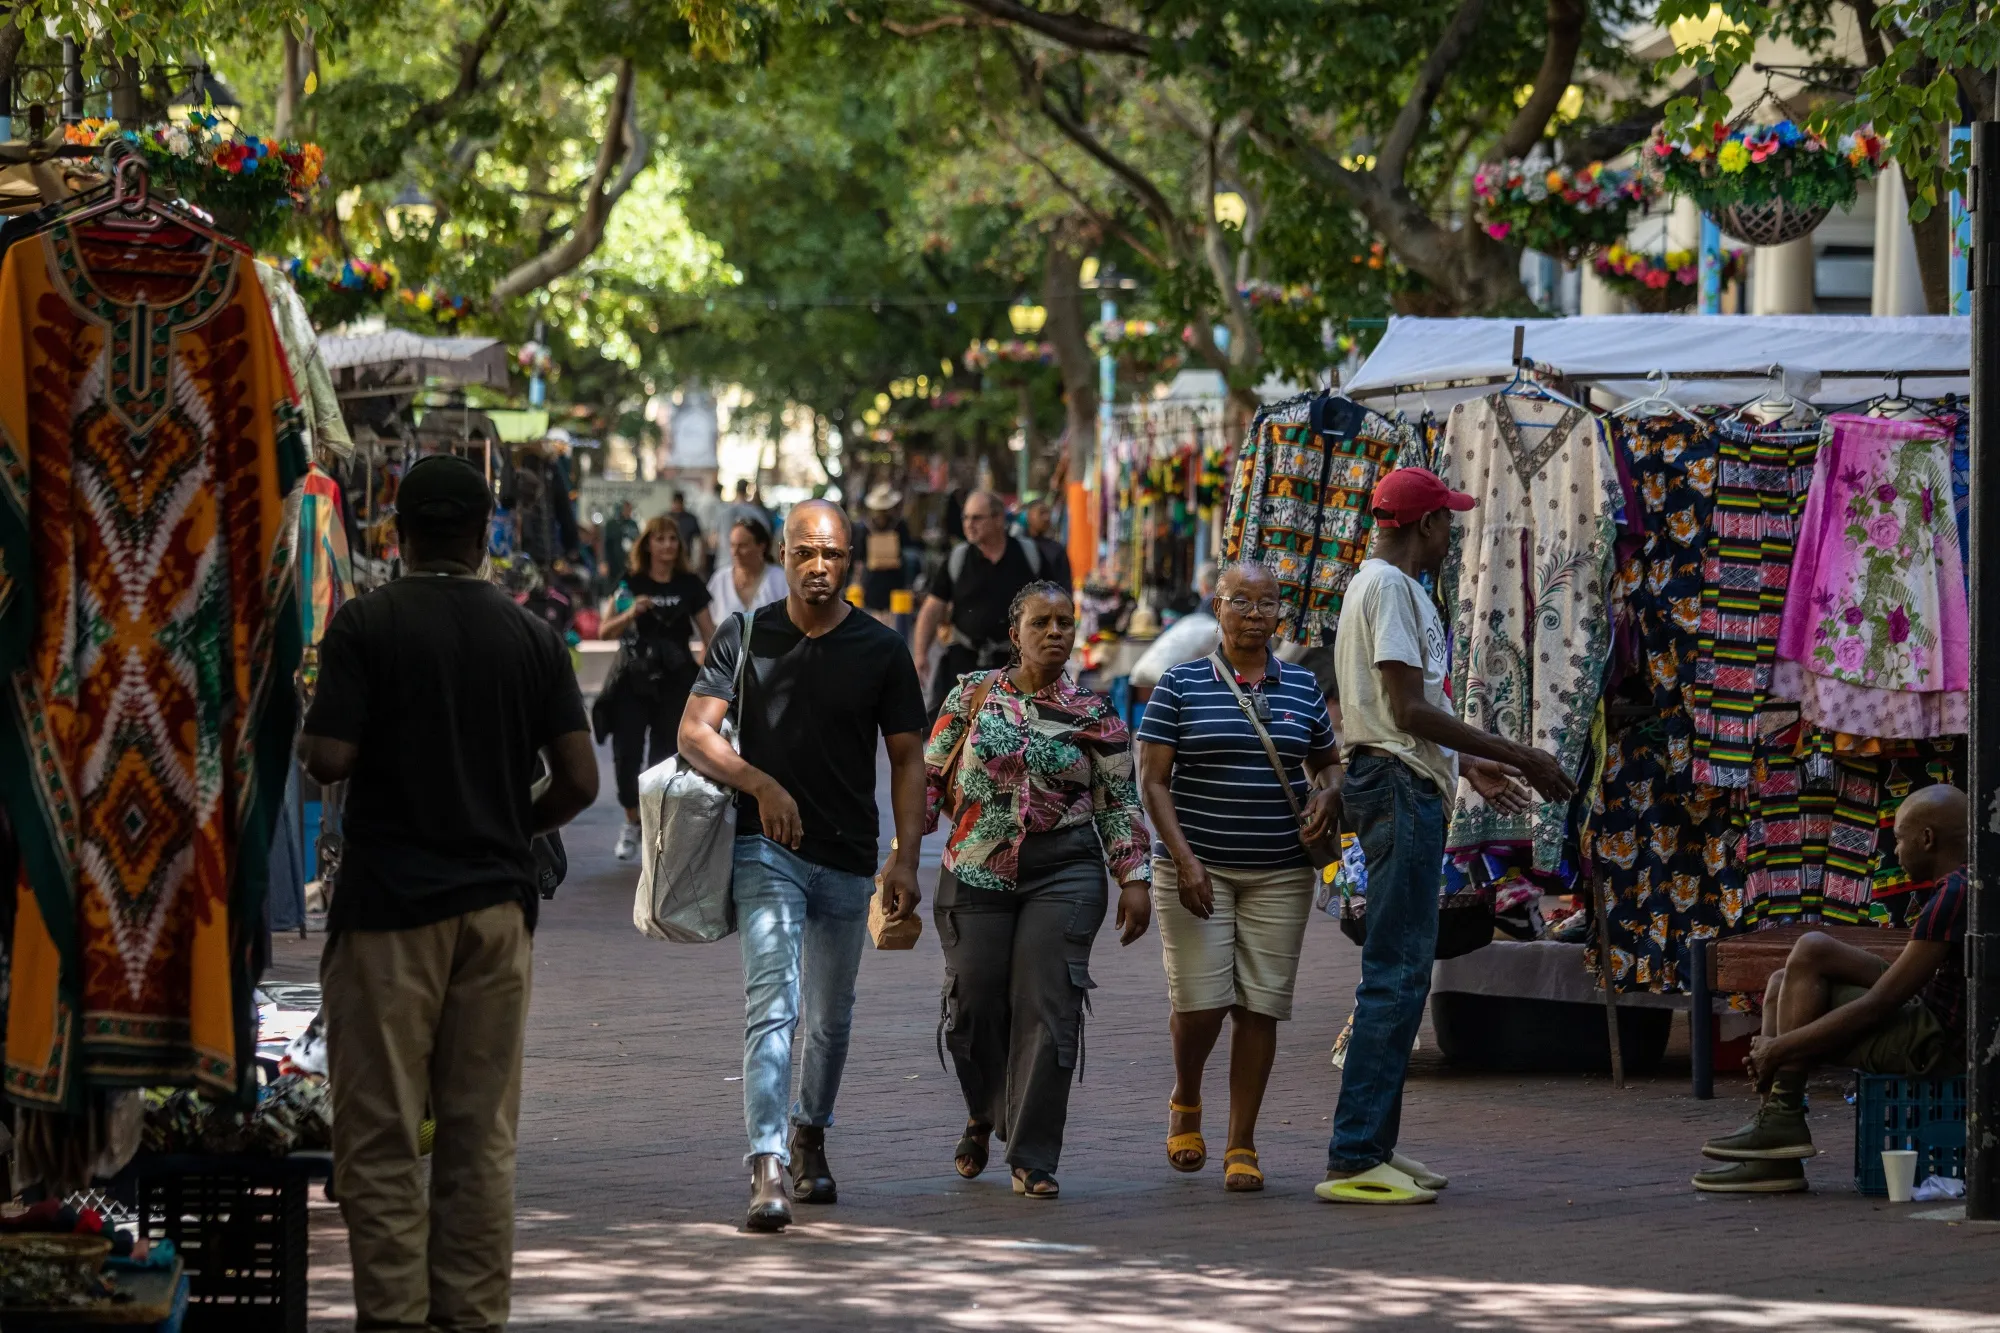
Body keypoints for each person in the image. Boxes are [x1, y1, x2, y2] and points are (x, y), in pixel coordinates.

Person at [297, 455, 598, 1329]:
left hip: (390, 908)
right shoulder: (531, 635)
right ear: (482, 535)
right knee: (478, 1137)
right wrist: (513, 821)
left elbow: (330, 758)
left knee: (382, 1139)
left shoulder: (366, 625)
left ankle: (393, 1319)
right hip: (497, 913)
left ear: (395, 532)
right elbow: (578, 779)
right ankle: (470, 1318)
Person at [1322, 465, 1574, 1205]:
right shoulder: (1391, 587)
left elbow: (1399, 705)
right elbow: (1404, 709)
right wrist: (1516, 751)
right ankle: (1356, 1152)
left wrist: (1467, 762)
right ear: (1424, 525)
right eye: (1448, 521)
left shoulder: (1382, 586)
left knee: (1400, 971)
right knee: (1395, 974)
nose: (1453, 533)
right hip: (1396, 785)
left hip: (1405, 781)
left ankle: (1374, 1145)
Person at [679, 499, 929, 1233]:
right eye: (804, 554)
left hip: (850, 856)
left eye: (832, 556)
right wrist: (759, 782)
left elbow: (908, 758)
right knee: (772, 1002)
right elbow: (695, 731)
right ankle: (766, 1161)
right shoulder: (747, 632)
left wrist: (907, 859)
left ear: (849, 561)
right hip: (767, 849)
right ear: (783, 556)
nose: (818, 567)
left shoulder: (880, 649)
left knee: (830, 1015)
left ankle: (810, 1130)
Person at [926, 581, 1152, 1199]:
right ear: (1014, 634)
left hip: (1066, 870)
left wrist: (1134, 877)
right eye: (1042, 622)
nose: (1056, 632)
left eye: (1064, 622)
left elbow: (1118, 801)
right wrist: (896, 862)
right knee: (971, 1005)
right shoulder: (971, 695)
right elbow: (926, 777)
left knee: (1050, 1009)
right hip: (975, 867)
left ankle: (1032, 1155)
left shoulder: (1095, 713)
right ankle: (983, 1111)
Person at [1135, 562, 1340, 1192]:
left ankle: (1241, 1142)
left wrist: (1329, 795)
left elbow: (1329, 766)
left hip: (1280, 873)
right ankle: (1186, 1096)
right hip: (1194, 870)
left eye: (1266, 604)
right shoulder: (1180, 683)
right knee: (1202, 1003)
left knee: (1260, 1007)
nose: (1254, 615)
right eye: (1240, 603)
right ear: (1217, 609)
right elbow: (1152, 782)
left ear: (1281, 613)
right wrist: (1185, 860)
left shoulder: (1303, 687)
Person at [1692, 784, 1969, 1193]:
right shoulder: (1968, 883)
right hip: (1931, 1018)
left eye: (1899, 839)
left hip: (1936, 1044)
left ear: (1927, 839)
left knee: (1807, 953)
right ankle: (1776, 1146)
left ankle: (1782, 1119)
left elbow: (1879, 1004)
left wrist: (1779, 1049)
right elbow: (1901, 984)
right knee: (1785, 978)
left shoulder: (1954, 895)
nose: (1895, 852)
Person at [598, 514, 716, 861]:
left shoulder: (689, 584)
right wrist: (631, 611)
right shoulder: (631, 582)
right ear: (647, 544)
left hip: (675, 680)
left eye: (672, 539)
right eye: (660, 539)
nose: (667, 546)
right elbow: (606, 631)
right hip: (634, 680)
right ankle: (631, 820)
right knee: (626, 756)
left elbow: (710, 634)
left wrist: (708, 674)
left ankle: (653, 829)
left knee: (663, 760)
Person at [911, 490, 1050, 714]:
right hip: (964, 671)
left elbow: (1051, 607)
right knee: (960, 743)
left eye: (976, 518)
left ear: (998, 519)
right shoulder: (957, 559)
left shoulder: (1028, 556)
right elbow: (932, 609)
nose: (968, 524)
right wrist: (920, 656)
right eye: (965, 518)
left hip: (1017, 670)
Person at [1129, 565, 1221, 693]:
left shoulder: (1201, 613)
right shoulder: (1209, 614)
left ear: (1204, 585)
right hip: (1168, 677)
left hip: (1152, 674)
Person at [856, 484, 914, 627]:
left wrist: (857, 581)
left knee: (875, 619)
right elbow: (907, 549)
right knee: (893, 622)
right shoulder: (899, 526)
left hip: (873, 579)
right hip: (895, 579)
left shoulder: (866, 528)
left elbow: (860, 556)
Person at [708, 516, 789, 618]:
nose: (735, 552)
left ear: (761, 546)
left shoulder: (780, 579)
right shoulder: (720, 580)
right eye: (732, 545)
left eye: (742, 546)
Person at [1022, 494, 1073, 592]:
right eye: (1041, 513)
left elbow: (1065, 585)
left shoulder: (1056, 549)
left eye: (1048, 513)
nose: (1046, 517)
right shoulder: (1018, 546)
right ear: (1029, 516)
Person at [602, 501, 639, 596]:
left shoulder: (633, 524)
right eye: (626, 509)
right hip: (614, 562)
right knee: (613, 587)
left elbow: (637, 542)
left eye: (630, 509)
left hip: (628, 561)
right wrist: (604, 562)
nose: (629, 512)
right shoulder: (611, 524)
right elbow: (606, 545)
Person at [668, 489, 705, 576]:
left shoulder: (691, 519)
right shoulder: (666, 518)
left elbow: (699, 540)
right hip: (668, 557)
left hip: (686, 557)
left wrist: (701, 559)